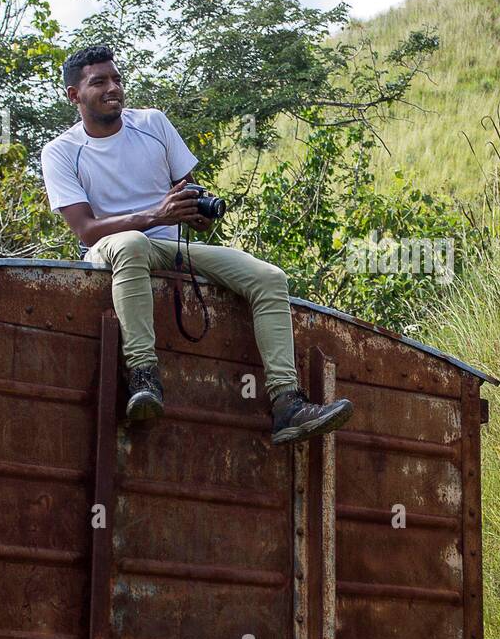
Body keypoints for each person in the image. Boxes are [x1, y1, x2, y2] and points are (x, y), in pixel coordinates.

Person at [40, 44, 353, 445]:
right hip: (113, 248)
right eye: (99, 82)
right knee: (133, 243)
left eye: (117, 79)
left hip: (172, 245)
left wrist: (197, 212)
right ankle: (144, 378)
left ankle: (286, 404)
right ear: (74, 95)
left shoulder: (153, 123)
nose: (113, 88)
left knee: (269, 277)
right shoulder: (61, 151)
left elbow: (187, 198)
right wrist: (157, 215)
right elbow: (85, 229)